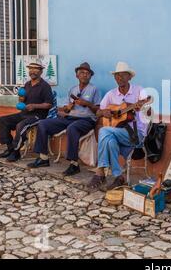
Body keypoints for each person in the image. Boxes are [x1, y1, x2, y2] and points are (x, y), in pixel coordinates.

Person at [28, 62, 101, 176]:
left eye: (87, 73)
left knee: (72, 128)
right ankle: (43, 158)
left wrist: (87, 103)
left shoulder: (94, 89)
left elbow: (98, 110)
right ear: (77, 75)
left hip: (86, 120)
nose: (84, 75)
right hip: (70, 118)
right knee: (43, 123)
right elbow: (66, 110)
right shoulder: (73, 89)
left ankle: (74, 164)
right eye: (81, 72)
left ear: (90, 76)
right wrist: (67, 108)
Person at [88, 62, 150, 191]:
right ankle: (119, 177)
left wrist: (142, 108)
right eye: (117, 76)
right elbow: (98, 111)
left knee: (104, 130)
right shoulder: (111, 94)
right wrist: (104, 112)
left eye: (123, 75)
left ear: (130, 77)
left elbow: (149, 112)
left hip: (135, 134)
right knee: (109, 141)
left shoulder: (140, 91)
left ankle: (100, 170)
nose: (119, 78)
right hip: (116, 133)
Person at [0, 63, 53, 162]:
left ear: (41, 71)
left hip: (38, 116)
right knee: (2, 120)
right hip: (24, 114)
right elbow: (23, 99)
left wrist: (34, 106)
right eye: (31, 69)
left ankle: (16, 152)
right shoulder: (27, 84)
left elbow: (48, 104)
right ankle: (10, 148)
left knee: (21, 125)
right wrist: (21, 99)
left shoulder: (45, 86)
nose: (33, 71)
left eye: (36, 69)